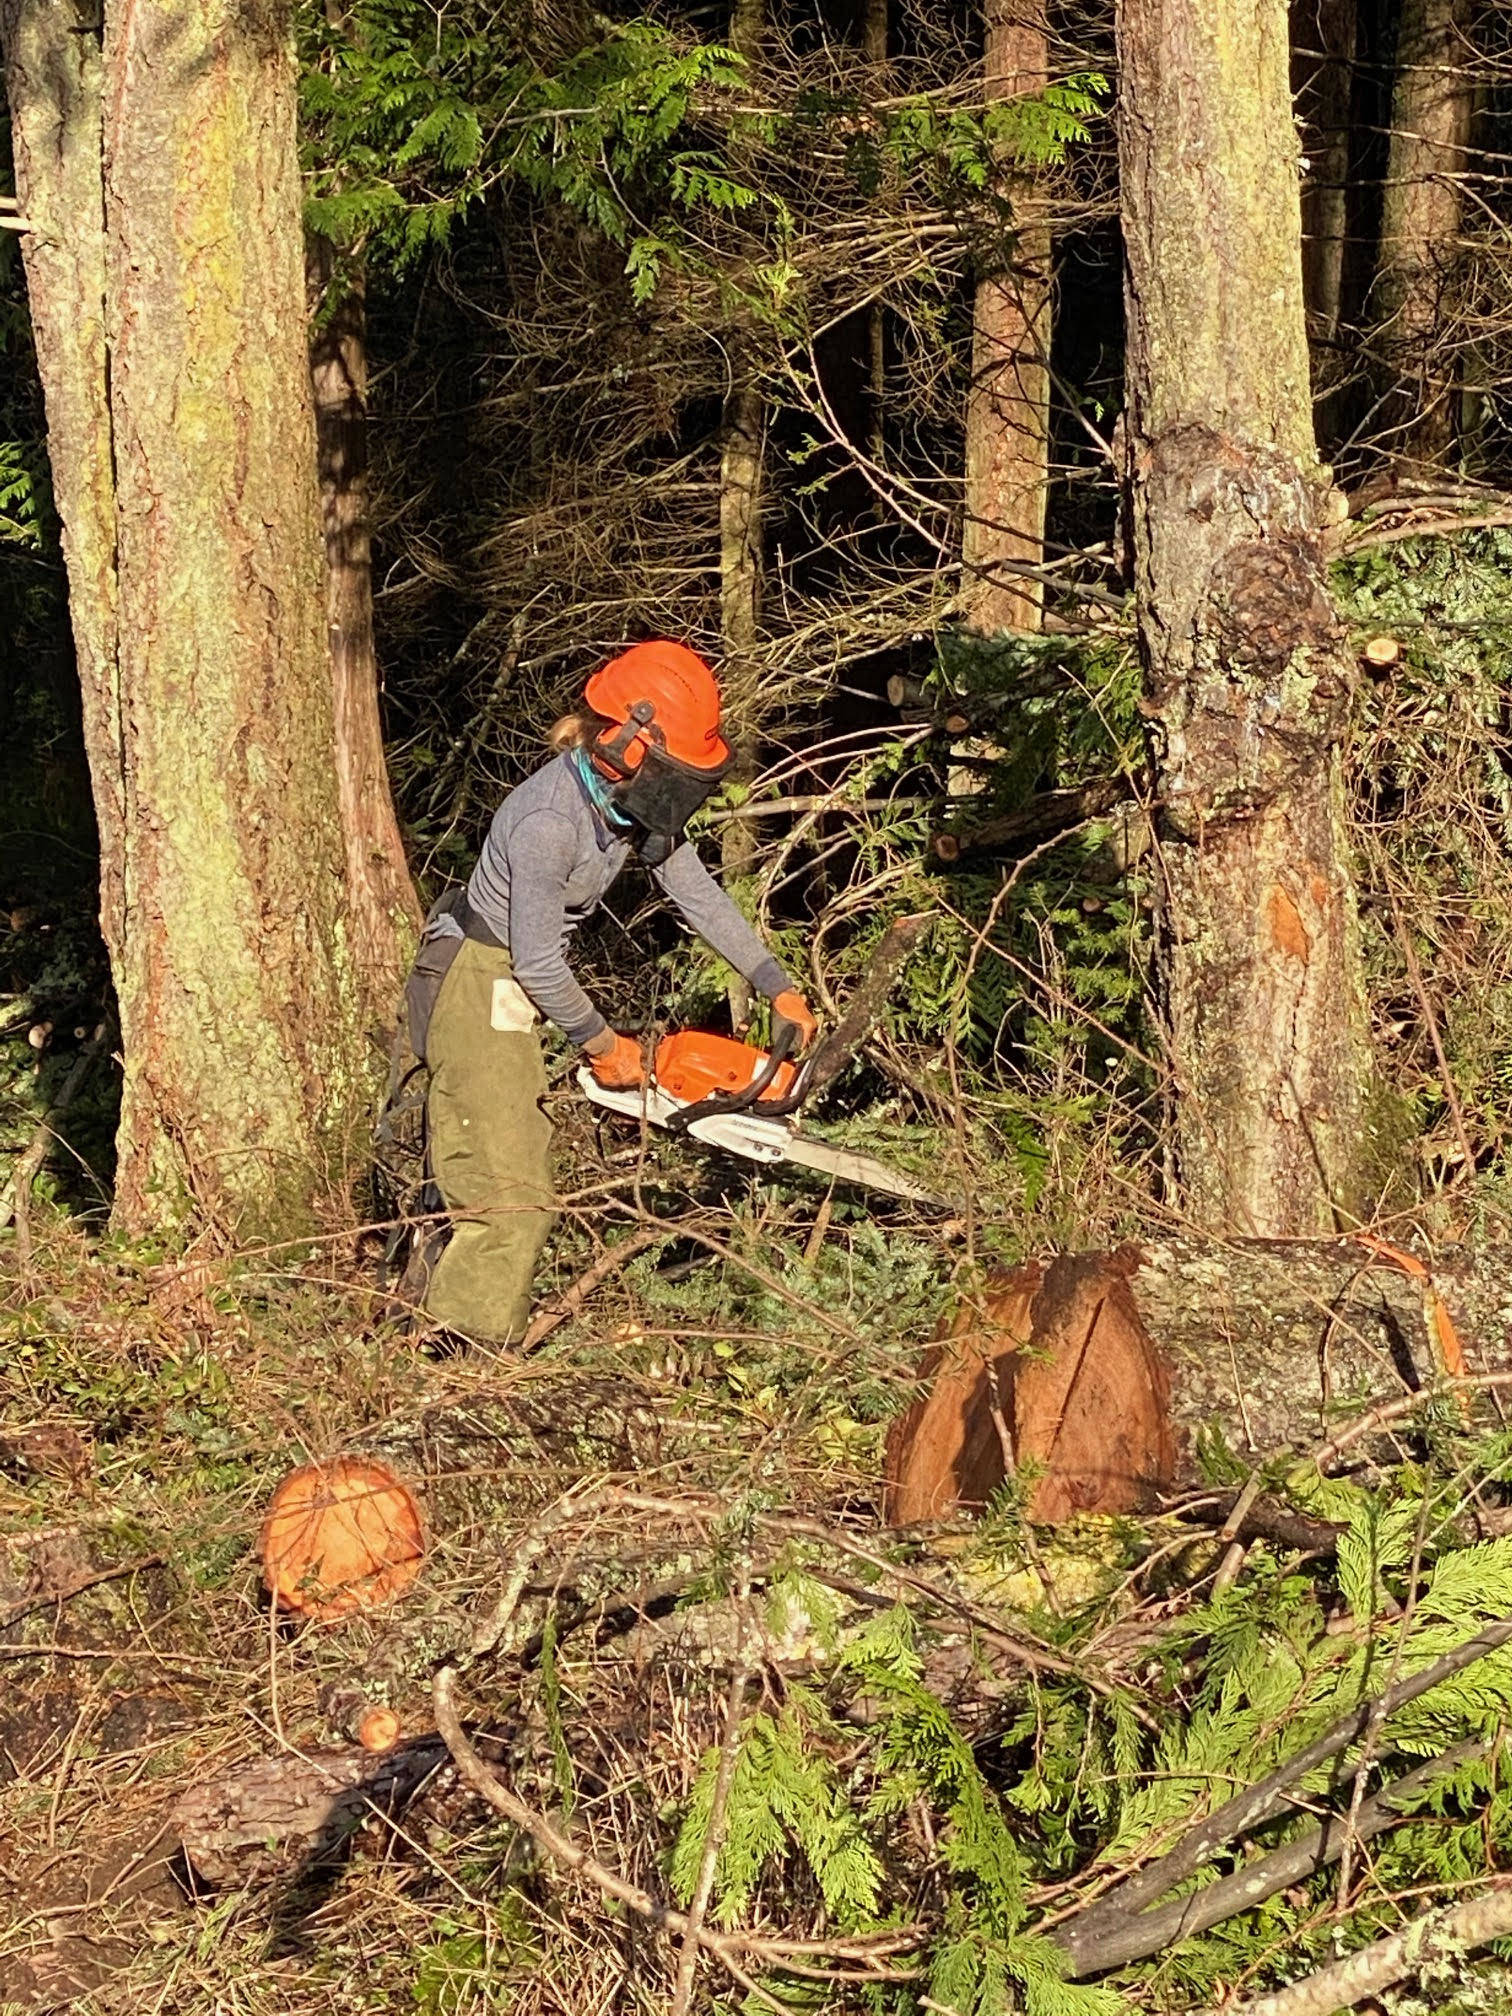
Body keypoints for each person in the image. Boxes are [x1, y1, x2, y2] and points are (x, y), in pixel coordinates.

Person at [403, 639, 816, 1344]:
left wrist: (773, 982)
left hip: (515, 979)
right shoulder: (548, 823)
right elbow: (535, 963)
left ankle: (447, 1325)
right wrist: (605, 1047)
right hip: (481, 977)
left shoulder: (629, 808)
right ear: (625, 745)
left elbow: (696, 893)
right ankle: (457, 1361)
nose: (677, 790)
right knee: (512, 1200)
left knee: (509, 1166)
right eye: (672, 772)